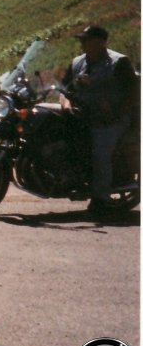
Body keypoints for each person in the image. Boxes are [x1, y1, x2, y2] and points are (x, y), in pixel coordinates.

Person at [60, 25, 139, 213]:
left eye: (87, 40)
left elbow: (133, 94)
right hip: (82, 114)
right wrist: (65, 104)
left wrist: (114, 114)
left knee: (100, 153)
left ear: (101, 42)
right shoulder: (77, 62)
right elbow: (64, 88)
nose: (83, 43)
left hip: (111, 119)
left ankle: (101, 199)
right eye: (82, 40)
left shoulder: (118, 62)